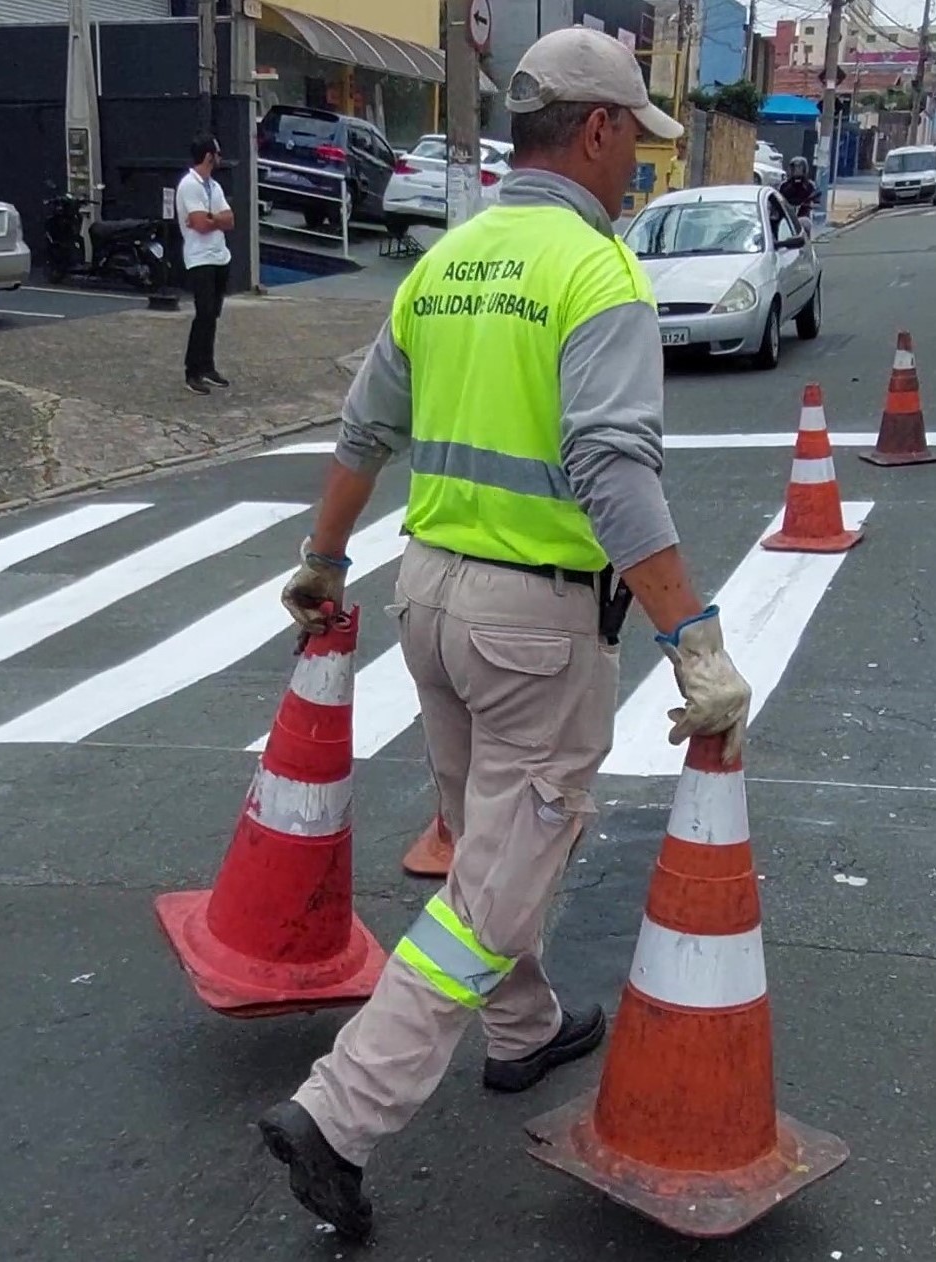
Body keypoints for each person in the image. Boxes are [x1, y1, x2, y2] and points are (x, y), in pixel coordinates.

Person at [259, 26, 752, 1243]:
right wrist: (693, 635)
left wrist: (322, 558)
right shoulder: (597, 273)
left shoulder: (444, 262)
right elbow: (612, 470)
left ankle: (523, 1028)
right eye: (632, 142)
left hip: (430, 601)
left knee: (492, 840)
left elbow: (364, 430)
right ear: (594, 130)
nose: (634, 166)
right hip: (533, 625)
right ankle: (341, 1110)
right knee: (491, 886)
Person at [175, 133, 234, 395]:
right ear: (209, 156)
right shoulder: (189, 185)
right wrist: (212, 219)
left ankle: (207, 366)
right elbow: (198, 225)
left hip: (220, 256)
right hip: (199, 258)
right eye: (217, 153)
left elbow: (230, 220)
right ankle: (193, 371)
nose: (220, 157)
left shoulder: (214, 186)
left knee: (213, 315)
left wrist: (211, 218)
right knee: (204, 313)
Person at [779, 156, 819, 222]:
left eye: (799, 167)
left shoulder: (810, 185)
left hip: (804, 215)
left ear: (804, 169)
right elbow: (780, 200)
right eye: (795, 167)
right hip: (788, 215)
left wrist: (810, 204)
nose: (797, 170)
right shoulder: (784, 185)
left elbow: (816, 200)